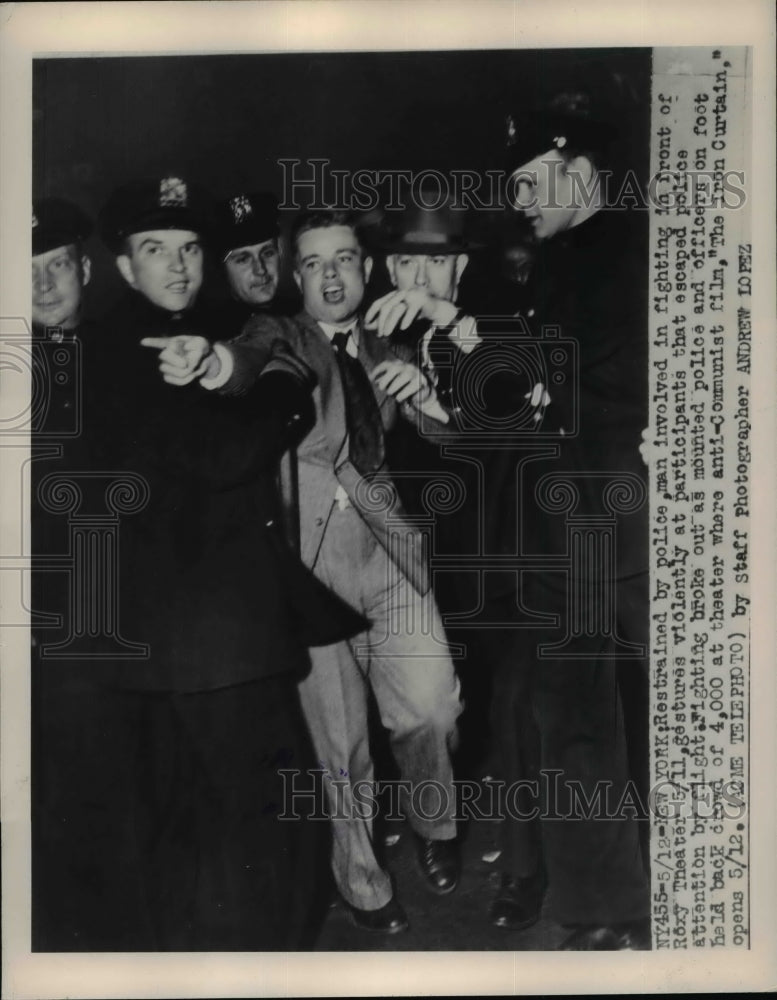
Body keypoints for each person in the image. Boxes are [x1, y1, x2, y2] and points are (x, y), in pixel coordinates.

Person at [32, 176, 365, 951]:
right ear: (119, 267)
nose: (178, 266)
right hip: (208, 630)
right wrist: (289, 386)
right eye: (155, 251)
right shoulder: (132, 345)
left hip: (189, 629)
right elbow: (225, 453)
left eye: (189, 249)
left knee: (217, 826)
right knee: (261, 821)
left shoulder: (194, 330)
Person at [150, 209, 464, 935]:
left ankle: (434, 821)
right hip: (306, 564)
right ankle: (361, 879)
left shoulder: (393, 335)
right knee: (340, 739)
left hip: (388, 551)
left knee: (431, 707)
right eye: (315, 263)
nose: (331, 276)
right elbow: (241, 366)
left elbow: (450, 433)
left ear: (366, 268)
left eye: (345, 260)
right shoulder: (280, 334)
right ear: (297, 276)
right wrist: (208, 362)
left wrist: (425, 397)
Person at [486, 84, 651, 948]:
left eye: (529, 180)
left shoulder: (640, 252)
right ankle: (601, 910)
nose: (517, 200)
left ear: (578, 173)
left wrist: (493, 350)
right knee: (576, 724)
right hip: (566, 532)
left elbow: (610, 388)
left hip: (636, 530)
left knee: (675, 707)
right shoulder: (552, 264)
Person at [212, 189, 294, 336]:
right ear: (223, 269)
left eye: (268, 253)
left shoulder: (302, 315)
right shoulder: (214, 334)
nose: (260, 269)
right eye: (243, 259)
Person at [31, 197, 93, 339]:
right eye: (26, 271)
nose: (44, 286)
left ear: (85, 270)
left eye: (58, 264)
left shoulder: (120, 346)